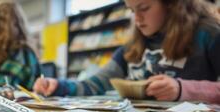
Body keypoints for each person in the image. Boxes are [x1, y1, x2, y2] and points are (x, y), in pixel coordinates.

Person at [34, 0, 220, 102]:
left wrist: (182, 89)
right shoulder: (132, 47)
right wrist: (58, 86)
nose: (137, 19)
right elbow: (94, 84)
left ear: (171, 4)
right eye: (132, 10)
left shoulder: (208, 34)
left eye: (144, 8)